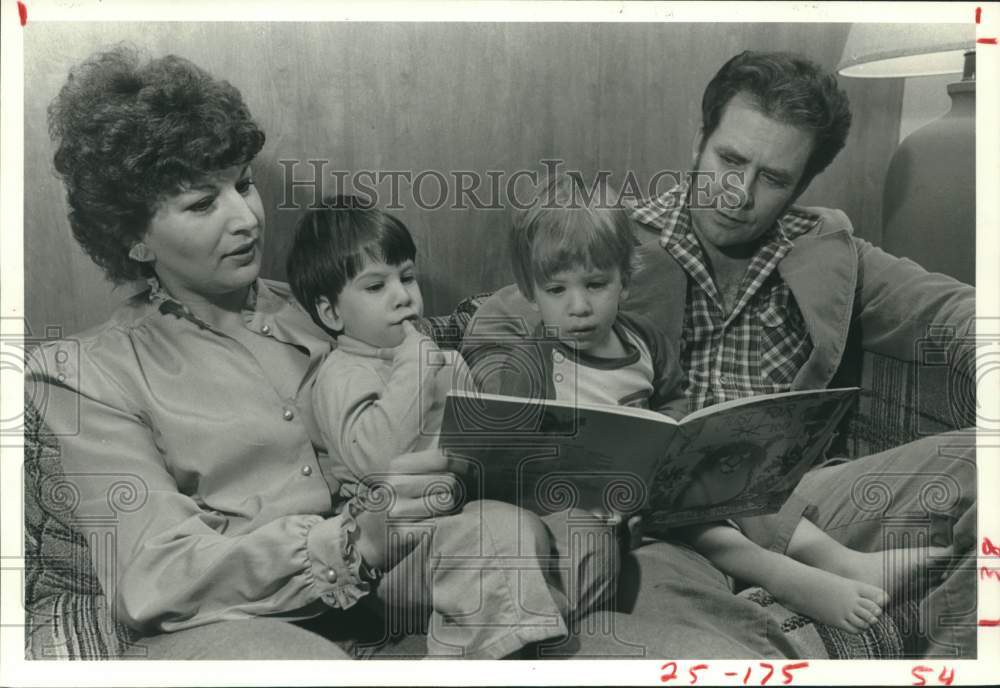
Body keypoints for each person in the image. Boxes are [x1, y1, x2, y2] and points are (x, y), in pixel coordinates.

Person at [28, 46, 586, 660]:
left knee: (519, 534)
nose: (246, 218)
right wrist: (351, 542)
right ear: (134, 238)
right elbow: (151, 576)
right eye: (201, 203)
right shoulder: (86, 373)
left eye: (242, 184)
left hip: (396, 575)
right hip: (244, 619)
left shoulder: (331, 307)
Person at [462, 52, 977, 657]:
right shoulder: (616, 250)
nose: (739, 193)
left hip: (804, 498)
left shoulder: (834, 250)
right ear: (698, 142)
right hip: (666, 531)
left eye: (774, 178)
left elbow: (951, 312)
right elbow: (492, 322)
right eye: (729, 160)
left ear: (803, 183)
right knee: (673, 642)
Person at [285, 195, 620, 649]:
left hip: (467, 519)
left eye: (406, 277)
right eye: (375, 286)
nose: (403, 295)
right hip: (398, 551)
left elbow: (485, 449)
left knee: (589, 539)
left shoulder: (445, 361)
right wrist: (415, 360)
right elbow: (376, 460)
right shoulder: (342, 372)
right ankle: (504, 631)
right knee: (500, 532)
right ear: (331, 313)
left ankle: (521, 625)